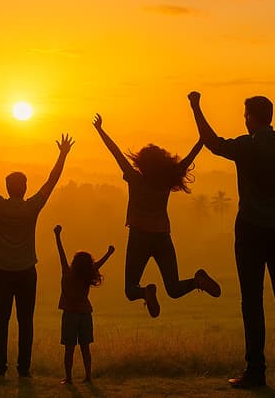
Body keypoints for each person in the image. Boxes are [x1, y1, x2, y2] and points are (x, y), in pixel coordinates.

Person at [189, 51, 275, 388]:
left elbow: (211, 143)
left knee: (252, 300)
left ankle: (255, 371)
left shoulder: (246, 147)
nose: (243, 119)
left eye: (244, 115)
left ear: (252, 118)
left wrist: (195, 106)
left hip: (251, 230)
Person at [0, 128, 74, 377]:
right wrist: (63, 155)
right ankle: (24, 369)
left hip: (1, 270)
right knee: (26, 322)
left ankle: (0, 367)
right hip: (26, 272)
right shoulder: (31, 207)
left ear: (7, 187)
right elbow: (51, 181)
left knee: (0, 321)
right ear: (23, 189)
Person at [92, 113, 221, 319]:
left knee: (130, 289)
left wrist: (100, 130)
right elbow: (189, 159)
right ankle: (198, 281)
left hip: (139, 237)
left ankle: (145, 292)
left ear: (142, 163)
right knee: (174, 288)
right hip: (162, 237)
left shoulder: (135, 179)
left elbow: (116, 153)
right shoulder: (167, 180)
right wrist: (200, 141)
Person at [53, 224, 114, 384]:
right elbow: (98, 264)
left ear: (74, 262)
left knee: (69, 349)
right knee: (85, 348)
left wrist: (57, 236)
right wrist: (109, 253)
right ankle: (88, 376)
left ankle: (69, 377)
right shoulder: (87, 274)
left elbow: (61, 253)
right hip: (85, 314)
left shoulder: (67, 273)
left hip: (70, 315)